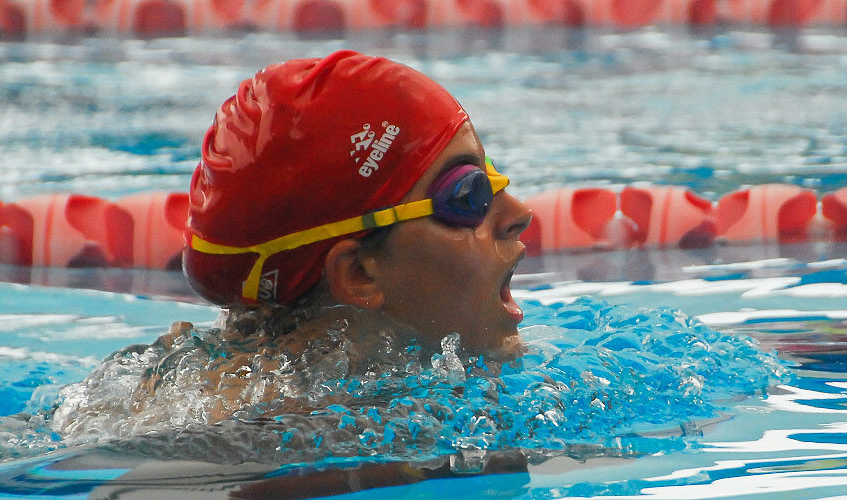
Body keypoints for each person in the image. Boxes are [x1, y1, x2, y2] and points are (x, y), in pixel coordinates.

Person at [54, 50, 533, 430]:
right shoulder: (268, 432)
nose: (518, 213)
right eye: (468, 194)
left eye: (492, 173)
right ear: (359, 274)